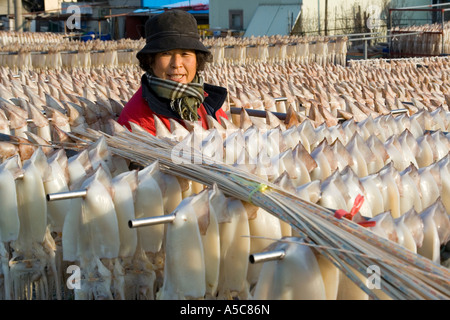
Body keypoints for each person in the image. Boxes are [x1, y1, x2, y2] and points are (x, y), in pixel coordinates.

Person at [117, 9, 229, 135]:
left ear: (197, 60)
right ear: (151, 60)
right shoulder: (138, 118)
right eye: (166, 54)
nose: (176, 64)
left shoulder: (205, 100)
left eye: (185, 54)